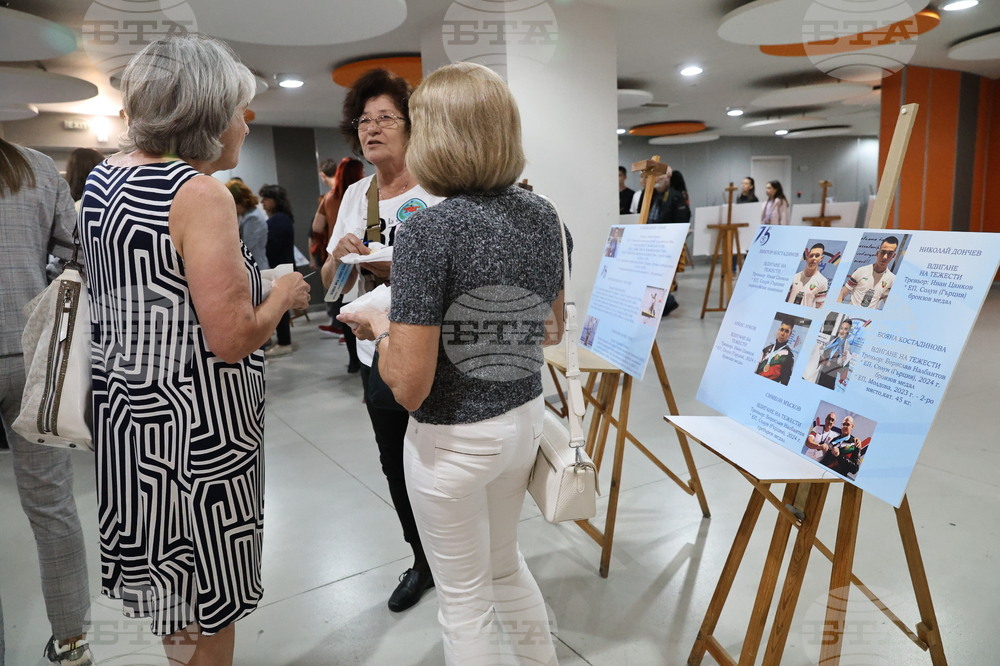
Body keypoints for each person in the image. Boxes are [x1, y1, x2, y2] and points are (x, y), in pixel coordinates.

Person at [79, 35, 309, 665]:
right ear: (207, 114)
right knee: (211, 598)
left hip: (132, 425)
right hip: (198, 436)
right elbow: (231, 339)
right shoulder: (200, 195)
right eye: (239, 108)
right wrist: (283, 292)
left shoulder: (104, 180)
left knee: (170, 595)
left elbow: (158, 290)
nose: (246, 121)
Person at [339, 60, 565, 666]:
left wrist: (383, 325)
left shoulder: (428, 232)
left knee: (463, 600)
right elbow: (552, 328)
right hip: (523, 417)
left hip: (453, 440)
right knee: (504, 566)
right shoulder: (541, 213)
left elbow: (410, 386)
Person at [319, 68, 444, 613]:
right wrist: (339, 256)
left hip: (438, 347)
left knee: (446, 459)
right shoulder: (356, 193)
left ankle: (461, 553)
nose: (371, 129)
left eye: (385, 118)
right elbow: (330, 285)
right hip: (378, 350)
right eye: (363, 120)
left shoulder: (438, 184)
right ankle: (423, 559)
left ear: (411, 125)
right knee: (395, 462)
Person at [1, 138, 94, 665]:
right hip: (31, 356)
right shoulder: (32, 166)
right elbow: (80, 252)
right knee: (52, 507)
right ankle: (71, 643)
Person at [314, 158, 365, 373]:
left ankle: (355, 362)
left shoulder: (330, 198)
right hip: (358, 257)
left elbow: (317, 226)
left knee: (347, 312)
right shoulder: (360, 194)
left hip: (341, 255)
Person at [259, 184, 297, 357]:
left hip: (280, 267)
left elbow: (271, 247)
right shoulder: (282, 218)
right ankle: (283, 340)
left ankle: (284, 342)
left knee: (280, 307)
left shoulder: (278, 220)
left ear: (275, 201)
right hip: (283, 266)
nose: (263, 203)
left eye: (266, 199)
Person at [838, 236, 899, 309]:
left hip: (868, 318)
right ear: (877, 253)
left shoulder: (892, 279)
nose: (885, 257)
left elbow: (891, 306)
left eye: (890, 253)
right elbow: (841, 295)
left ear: (893, 256)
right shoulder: (861, 271)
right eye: (883, 252)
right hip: (849, 316)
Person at [226, 179, 269, 269]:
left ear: (239, 202)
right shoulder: (247, 215)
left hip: (256, 266)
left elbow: (246, 246)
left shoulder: (252, 218)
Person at [786, 243, 829, 307]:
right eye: (811, 255)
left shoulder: (823, 281)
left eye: (817, 256)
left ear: (821, 258)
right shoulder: (794, 277)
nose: (813, 258)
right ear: (807, 258)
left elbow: (820, 305)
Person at [817, 318, 853, 389]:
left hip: (833, 374)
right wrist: (824, 357)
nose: (842, 331)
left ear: (849, 331)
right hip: (823, 371)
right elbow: (823, 355)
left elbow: (845, 365)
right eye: (841, 328)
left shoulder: (847, 346)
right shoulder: (832, 340)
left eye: (845, 329)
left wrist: (842, 360)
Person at [755, 320, 795, 385]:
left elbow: (785, 382)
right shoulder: (766, 349)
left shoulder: (788, 356)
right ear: (778, 331)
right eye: (781, 330)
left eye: (786, 331)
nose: (782, 334)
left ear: (790, 334)